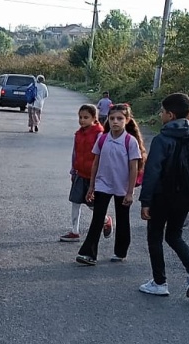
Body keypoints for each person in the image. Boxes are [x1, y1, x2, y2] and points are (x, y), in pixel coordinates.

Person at [138, 93, 189, 297]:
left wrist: (145, 201)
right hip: (185, 197)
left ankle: (160, 282)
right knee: (174, 235)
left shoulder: (163, 139)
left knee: (155, 237)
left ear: (170, 114)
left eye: (162, 111)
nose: (161, 115)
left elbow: (152, 172)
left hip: (162, 196)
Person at [75, 103, 145, 266]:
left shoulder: (130, 141)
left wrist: (130, 192)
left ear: (127, 120)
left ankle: (120, 251)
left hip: (122, 186)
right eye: (112, 118)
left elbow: (134, 167)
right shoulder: (103, 138)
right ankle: (89, 254)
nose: (115, 122)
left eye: (119, 119)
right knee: (97, 219)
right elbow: (95, 163)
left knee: (122, 219)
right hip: (102, 184)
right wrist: (91, 186)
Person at [60, 104, 110, 243]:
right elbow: (75, 153)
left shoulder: (100, 134)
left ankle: (106, 220)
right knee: (75, 201)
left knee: (92, 204)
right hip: (80, 174)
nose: (82, 120)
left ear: (94, 118)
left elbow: (103, 156)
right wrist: (73, 170)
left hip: (94, 176)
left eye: (86, 117)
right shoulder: (78, 134)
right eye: (80, 117)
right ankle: (74, 231)